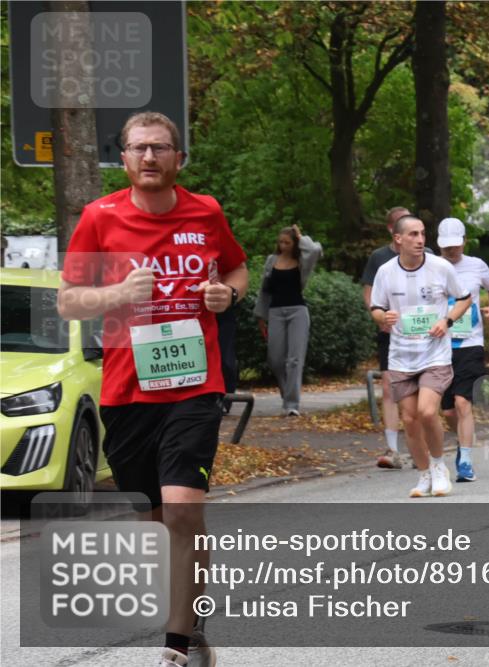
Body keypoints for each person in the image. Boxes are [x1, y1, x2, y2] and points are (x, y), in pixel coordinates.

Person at [57, 111, 248, 667]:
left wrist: (226, 297)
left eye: (160, 148)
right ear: (124, 159)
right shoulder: (99, 217)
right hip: (127, 391)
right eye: (138, 148)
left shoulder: (206, 211)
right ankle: (195, 615)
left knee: (183, 509)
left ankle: (176, 646)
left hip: (194, 386)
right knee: (156, 524)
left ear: (178, 158)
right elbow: (69, 300)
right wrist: (116, 293)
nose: (149, 157)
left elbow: (237, 271)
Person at [369, 215, 471, 498]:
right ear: (398, 239)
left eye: (423, 234)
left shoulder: (440, 267)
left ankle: (439, 467)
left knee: (427, 411)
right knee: (410, 418)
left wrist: (447, 321)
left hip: (435, 354)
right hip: (401, 356)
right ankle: (424, 474)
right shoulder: (386, 272)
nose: (420, 239)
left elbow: (464, 298)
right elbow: (375, 307)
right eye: (413, 234)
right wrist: (383, 316)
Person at [437, 218, 489, 482]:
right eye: (446, 246)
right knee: (448, 410)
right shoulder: (431, 266)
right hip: (439, 344)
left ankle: (465, 459)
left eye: (455, 245)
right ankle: (464, 438)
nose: (451, 251)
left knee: (463, 402)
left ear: (464, 241)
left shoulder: (476, 265)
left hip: (470, 343)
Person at [361, 206, 413, 469]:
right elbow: (369, 294)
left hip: (421, 335)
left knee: (419, 389)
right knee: (390, 387)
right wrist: (379, 316)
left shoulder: (425, 255)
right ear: (392, 231)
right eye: (402, 225)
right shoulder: (379, 258)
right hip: (390, 332)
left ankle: (419, 446)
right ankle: (392, 449)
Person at [254, 224, 322, 416]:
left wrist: (301, 236)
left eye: (288, 242)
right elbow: (264, 290)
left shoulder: (302, 261)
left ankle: (291, 405)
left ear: (295, 243)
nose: (283, 245)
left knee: (294, 360)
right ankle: (288, 394)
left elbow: (315, 249)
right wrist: (261, 316)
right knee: (275, 359)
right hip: (275, 312)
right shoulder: (271, 260)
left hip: (297, 311)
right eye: (280, 242)